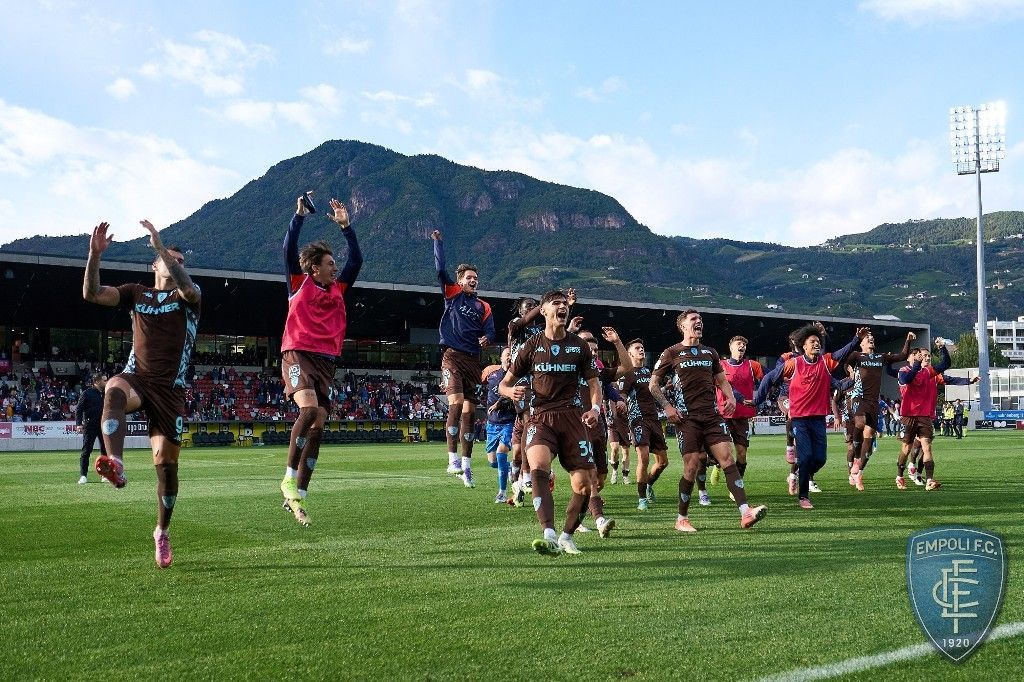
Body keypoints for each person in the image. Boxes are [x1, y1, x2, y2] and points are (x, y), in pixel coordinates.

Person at [84, 220, 201, 569]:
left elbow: (188, 288)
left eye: (181, 261)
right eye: (170, 260)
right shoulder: (137, 293)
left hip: (170, 389)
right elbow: (92, 294)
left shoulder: (188, 295)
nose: (176, 264)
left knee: (166, 466)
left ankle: (162, 532)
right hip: (138, 377)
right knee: (113, 388)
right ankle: (116, 464)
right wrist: (94, 255)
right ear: (153, 267)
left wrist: (162, 248)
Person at [279, 193, 362, 525]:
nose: (335, 268)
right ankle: (287, 477)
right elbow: (288, 249)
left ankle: (299, 493)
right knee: (310, 410)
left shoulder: (338, 289)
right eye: (329, 264)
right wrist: (298, 217)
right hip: (298, 353)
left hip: (327, 361)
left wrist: (347, 227)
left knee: (319, 424)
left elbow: (356, 260)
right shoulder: (299, 283)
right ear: (315, 268)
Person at [498, 290, 602, 556]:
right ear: (543, 311)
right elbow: (504, 384)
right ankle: (549, 534)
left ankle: (567, 536)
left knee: (583, 485)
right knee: (539, 466)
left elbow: (594, 383)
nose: (562, 306)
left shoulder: (579, 346)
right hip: (541, 417)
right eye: (556, 303)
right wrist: (510, 392)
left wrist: (595, 409)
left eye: (564, 303)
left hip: (572, 418)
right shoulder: (531, 345)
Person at [650, 310, 767, 532]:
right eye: (693, 319)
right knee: (691, 466)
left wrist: (731, 398)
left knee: (728, 459)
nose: (699, 322)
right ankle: (681, 519)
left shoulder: (710, 352)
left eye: (700, 320)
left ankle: (745, 513)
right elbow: (653, 385)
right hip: (687, 419)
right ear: (682, 326)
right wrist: (667, 407)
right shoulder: (671, 352)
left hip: (712, 416)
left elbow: (722, 381)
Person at [754, 324, 863, 508]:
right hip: (800, 420)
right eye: (812, 341)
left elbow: (838, 378)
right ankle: (803, 496)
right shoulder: (793, 363)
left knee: (820, 459)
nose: (816, 344)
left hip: (818, 419)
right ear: (803, 346)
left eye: (818, 341)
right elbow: (769, 378)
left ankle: (797, 474)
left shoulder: (824, 364)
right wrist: (757, 400)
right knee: (805, 458)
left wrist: (853, 373)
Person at [431, 230, 496, 487]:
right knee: (456, 403)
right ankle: (452, 460)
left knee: (469, 413)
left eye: (475, 278)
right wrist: (438, 243)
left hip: (473, 362)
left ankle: (467, 467)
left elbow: (491, 331)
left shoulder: (484, 306)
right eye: (469, 278)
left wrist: (487, 338)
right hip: (452, 357)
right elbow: (440, 270)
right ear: (460, 281)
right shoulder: (452, 295)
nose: (473, 281)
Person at [892, 341, 977, 490]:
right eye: (923, 355)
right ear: (914, 356)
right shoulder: (904, 370)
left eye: (928, 356)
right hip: (909, 415)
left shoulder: (929, 373)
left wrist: (942, 348)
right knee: (907, 447)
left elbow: (946, 365)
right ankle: (900, 475)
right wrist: (915, 364)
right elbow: (906, 380)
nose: (926, 358)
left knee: (927, 447)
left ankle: (929, 480)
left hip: (925, 416)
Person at [575, 327, 631, 536]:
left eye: (595, 350)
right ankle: (600, 520)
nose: (593, 353)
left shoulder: (599, 373)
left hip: (598, 429)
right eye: (588, 349)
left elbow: (627, 367)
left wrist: (617, 342)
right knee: (589, 477)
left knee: (600, 479)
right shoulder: (568, 371)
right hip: (577, 428)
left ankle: (577, 518)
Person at [844, 331, 914, 491]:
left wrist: (908, 340)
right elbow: (844, 362)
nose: (871, 339)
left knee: (869, 443)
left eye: (872, 337)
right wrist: (849, 369)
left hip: (873, 402)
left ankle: (859, 472)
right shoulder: (857, 356)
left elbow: (903, 355)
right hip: (859, 397)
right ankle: (856, 459)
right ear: (862, 344)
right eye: (867, 338)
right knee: (860, 423)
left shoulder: (881, 357)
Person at [621, 339, 669, 511]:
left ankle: (648, 485)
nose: (641, 349)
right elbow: (622, 394)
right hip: (638, 420)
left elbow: (652, 393)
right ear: (630, 354)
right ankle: (642, 499)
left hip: (654, 419)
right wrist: (621, 403)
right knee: (644, 458)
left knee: (663, 462)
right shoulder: (627, 374)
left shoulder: (648, 372)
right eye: (637, 348)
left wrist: (665, 389)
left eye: (642, 347)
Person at [714, 336, 763, 495]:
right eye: (738, 343)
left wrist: (759, 398)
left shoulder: (752, 365)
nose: (742, 346)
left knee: (742, 454)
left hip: (742, 416)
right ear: (731, 347)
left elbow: (769, 378)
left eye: (744, 344)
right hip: (724, 414)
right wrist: (740, 398)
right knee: (724, 452)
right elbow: (723, 384)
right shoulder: (720, 365)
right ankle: (717, 464)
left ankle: (736, 486)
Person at [482, 348, 516, 503]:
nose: (509, 357)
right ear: (501, 358)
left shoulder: (516, 377)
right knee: (493, 462)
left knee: (501, 453)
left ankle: (502, 492)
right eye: (507, 354)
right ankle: (514, 467)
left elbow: (510, 396)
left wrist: (498, 404)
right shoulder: (492, 375)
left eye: (511, 355)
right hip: (492, 422)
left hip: (509, 421)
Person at [74, 373, 107, 484]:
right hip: (90, 426)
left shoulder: (107, 393)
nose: (106, 382)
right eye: (104, 380)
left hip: (103, 426)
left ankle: (105, 475)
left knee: (105, 450)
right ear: (97, 381)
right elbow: (78, 409)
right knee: (86, 450)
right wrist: (79, 424)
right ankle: (83, 476)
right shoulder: (87, 393)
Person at [606, 383, 631, 485]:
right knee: (615, 448)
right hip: (612, 424)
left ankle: (625, 475)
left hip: (624, 424)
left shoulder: (627, 388)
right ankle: (614, 471)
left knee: (626, 451)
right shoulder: (609, 387)